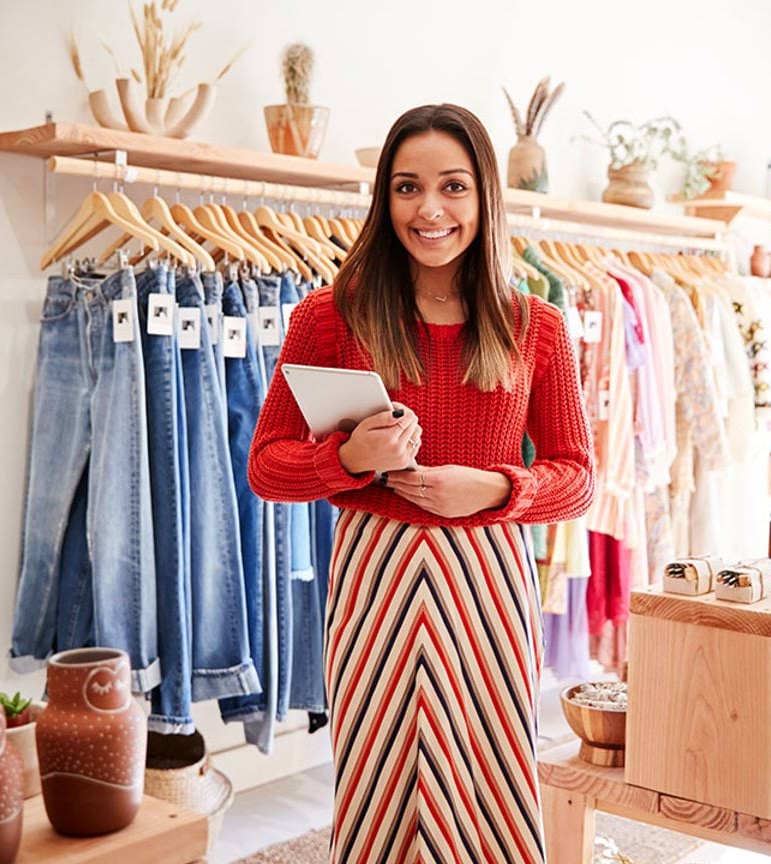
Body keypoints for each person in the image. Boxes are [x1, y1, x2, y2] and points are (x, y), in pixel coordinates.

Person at [248, 103, 594, 864]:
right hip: (375, 575)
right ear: (384, 198)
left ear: (485, 198)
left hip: (489, 579)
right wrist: (345, 460)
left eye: (453, 187)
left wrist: (500, 490)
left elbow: (578, 477)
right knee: (382, 771)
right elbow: (266, 466)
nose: (429, 210)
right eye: (407, 188)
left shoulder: (535, 325)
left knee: (488, 776)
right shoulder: (328, 317)